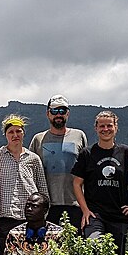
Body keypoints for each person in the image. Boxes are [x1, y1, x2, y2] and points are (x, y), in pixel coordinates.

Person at [0, 114, 48, 255]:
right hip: (5, 216)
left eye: (18, 131)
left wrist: (44, 215)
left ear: (23, 133)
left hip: (29, 219)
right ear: (6, 135)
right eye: (11, 132)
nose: (15, 135)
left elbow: (42, 189)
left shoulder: (33, 159)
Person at [72, 110, 128, 255]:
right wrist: (85, 210)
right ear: (96, 128)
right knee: (95, 251)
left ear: (116, 128)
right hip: (95, 215)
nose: (105, 129)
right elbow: (76, 183)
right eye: (102, 126)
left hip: (119, 216)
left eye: (109, 125)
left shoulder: (126, 153)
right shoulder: (87, 154)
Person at [29, 94, 87, 230]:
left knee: (74, 246)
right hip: (47, 205)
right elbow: (32, 172)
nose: (58, 115)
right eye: (54, 111)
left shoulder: (79, 136)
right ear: (48, 114)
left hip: (74, 203)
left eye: (62, 111)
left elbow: (85, 169)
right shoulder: (38, 139)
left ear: (68, 114)